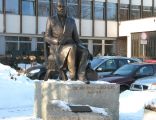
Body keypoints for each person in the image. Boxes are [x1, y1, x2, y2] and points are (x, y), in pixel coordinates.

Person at [44, 0, 91, 82]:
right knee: (72, 47)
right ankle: (72, 76)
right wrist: (56, 41)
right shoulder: (51, 19)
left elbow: (76, 39)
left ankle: (81, 75)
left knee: (84, 51)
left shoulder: (71, 21)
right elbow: (46, 37)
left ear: (66, 8)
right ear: (57, 7)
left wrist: (84, 47)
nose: (61, 8)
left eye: (63, 6)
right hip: (57, 47)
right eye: (59, 6)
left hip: (71, 44)